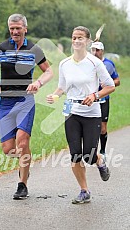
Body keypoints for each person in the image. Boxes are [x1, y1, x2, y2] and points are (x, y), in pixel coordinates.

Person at [46, 26, 115, 204]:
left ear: (88, 41)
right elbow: (62, 87)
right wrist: (55, 95)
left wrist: (94, 95)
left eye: (80, 38)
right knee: (75, 154)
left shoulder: (95, 63)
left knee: (89, 156)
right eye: (74, 37)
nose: (76, 41)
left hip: (92, 114)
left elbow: (110, 85)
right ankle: (84, 190)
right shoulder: (64, 64)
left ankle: (99, 161)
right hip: (72, 113)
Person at [0, 13, 53, 200]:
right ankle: (27, 161)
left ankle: (22, 184)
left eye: (18, 28)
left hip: (25, 101)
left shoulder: (34, 49)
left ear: (25, 28)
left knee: (22, 142)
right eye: (12, 28)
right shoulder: (0, 49)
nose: (15, 31)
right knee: (8, 149)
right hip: (6, 103)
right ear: (9, 29)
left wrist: (38, 84)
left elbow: (48, 71)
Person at [91, 42, 120, 158]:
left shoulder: (108, 64)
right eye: (93, 50)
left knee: (103, 129)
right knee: (91, 128)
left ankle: (102, 152)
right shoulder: (88, 63)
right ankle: (91, 152)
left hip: (103, 100)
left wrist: (109, 84)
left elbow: (117, 80)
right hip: (91, 100)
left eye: (97, 50)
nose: (95, 52)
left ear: (102, 51)